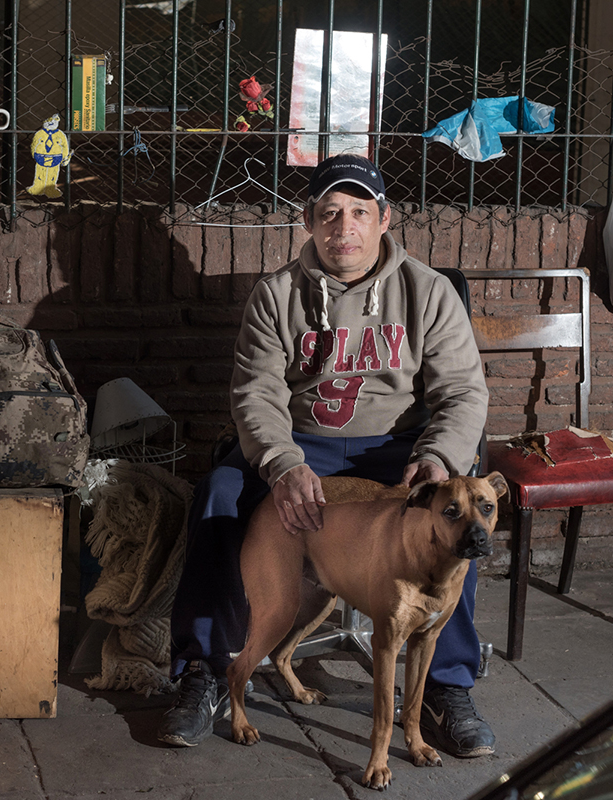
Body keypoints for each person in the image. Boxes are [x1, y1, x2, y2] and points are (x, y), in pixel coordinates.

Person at [158, 154, 492, 758]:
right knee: (218, 497)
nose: (345, 227)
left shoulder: (430, 291)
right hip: (301, 442)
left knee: (451, 519)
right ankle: (203, 670)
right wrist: (282, 465)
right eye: (330, 213)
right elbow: (256, 393)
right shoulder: (276, 294)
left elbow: (463, 392)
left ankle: (447, 684)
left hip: (397, 449)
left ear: (385, 219)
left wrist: (439, 458)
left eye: (360, 212)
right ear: (308, 221)